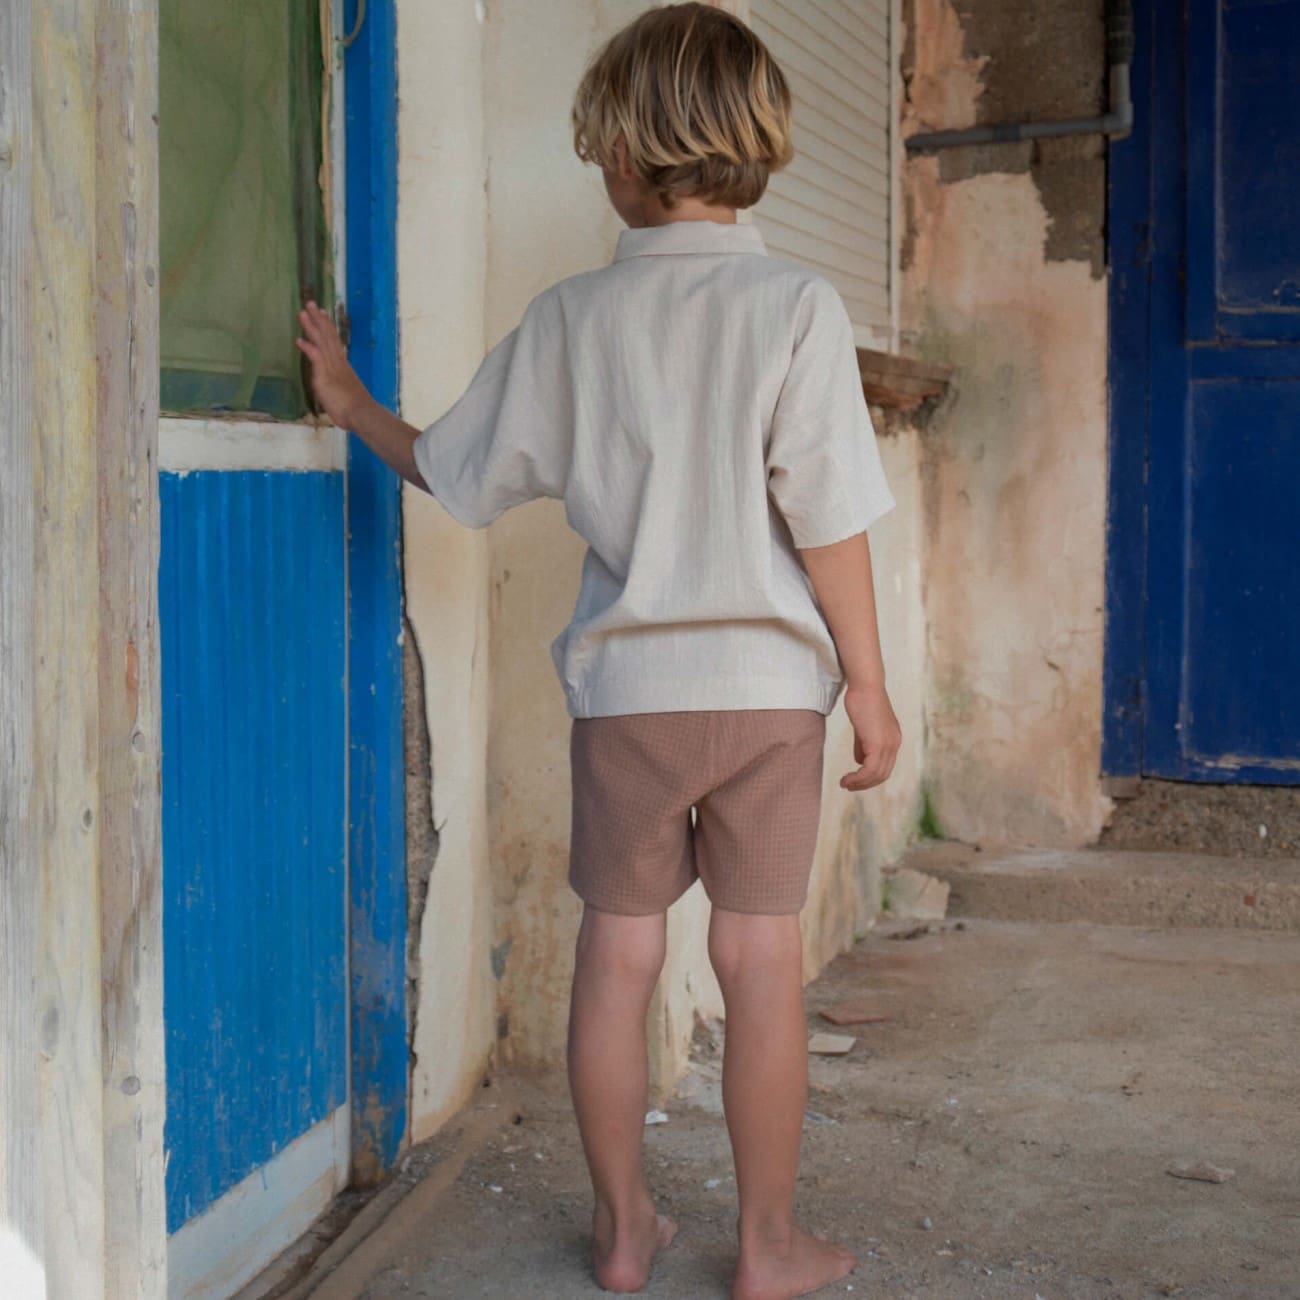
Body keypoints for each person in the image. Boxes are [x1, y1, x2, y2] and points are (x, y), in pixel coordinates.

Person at [295, 5, 901, 1295]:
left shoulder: (573, 317)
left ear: (623, 156)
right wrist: (870, 684)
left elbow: (453, 468)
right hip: (768, 701)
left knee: (618, 957)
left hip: (629, 699)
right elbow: (829, 520)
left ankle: (624, 1231)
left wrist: (350, 404)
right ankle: (767, 1245)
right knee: (759, 962)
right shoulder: (797, 304)